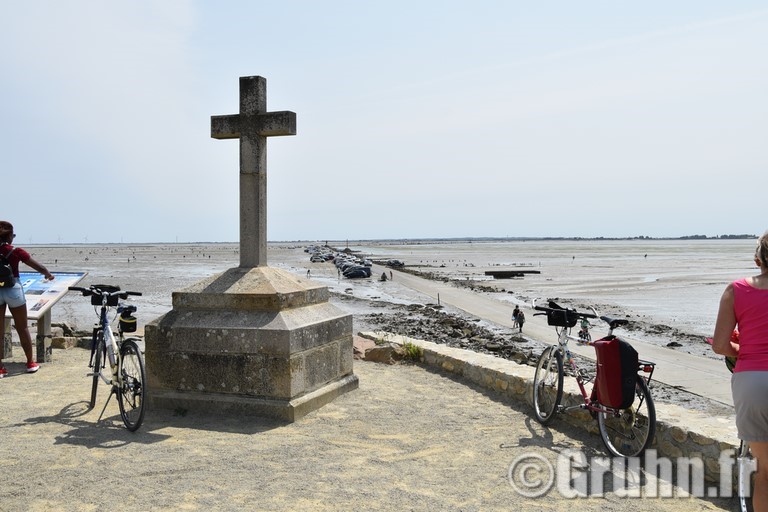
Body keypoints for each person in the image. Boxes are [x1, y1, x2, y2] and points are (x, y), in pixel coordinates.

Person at [712, 231, 768, 512]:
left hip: (752, 383)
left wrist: (742, 348)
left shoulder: (736, 289)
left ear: (758, 260)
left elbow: (720, 345)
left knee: (765, 474)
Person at [0, 221, 55, 377]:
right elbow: (37, 266)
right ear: (10, 236)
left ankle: (0, 368)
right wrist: (48, 275)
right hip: (13, 290)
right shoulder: (16, 251)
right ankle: (30, 362)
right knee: (22, 327)